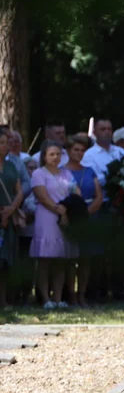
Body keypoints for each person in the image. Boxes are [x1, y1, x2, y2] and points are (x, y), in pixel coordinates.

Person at [30, 141, 78, 309]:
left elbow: (76, 193)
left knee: (61, 260)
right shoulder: (38, 173)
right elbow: (42, 197)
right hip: (46, 218)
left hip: (65, 219)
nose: (55, 157)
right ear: (44, 156)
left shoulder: (67, 173)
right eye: (51, 154)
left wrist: (66, 209)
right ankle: (45, 298)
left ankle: (58, 299)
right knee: (45, 260)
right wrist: (60, 210)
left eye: (58, 154)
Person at [64, 133, 104, 306]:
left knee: (86, 259)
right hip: (69, 219)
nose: (79, 153)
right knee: (70, 259)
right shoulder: (62, 171)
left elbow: (99, 196)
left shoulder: (89, 171)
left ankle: (82, 294)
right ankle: (70, 295)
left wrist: (85, 212)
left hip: (88, 217)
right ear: (68, 151)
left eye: (82, 150)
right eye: (76, 150)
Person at [0, 129, 25, 306]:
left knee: (6, 259)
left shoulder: (11, 165)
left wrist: (12, 208)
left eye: (6, 143)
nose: (5, 146)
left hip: (8, 218)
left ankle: (4, 300)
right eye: (1, 142)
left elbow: (19, 191)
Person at [82, 118, 124, 184]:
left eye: (109, 129)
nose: (107, 132)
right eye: (103, 129)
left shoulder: (121, 151)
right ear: (95, 133)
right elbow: (93, 180)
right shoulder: (88, 155)